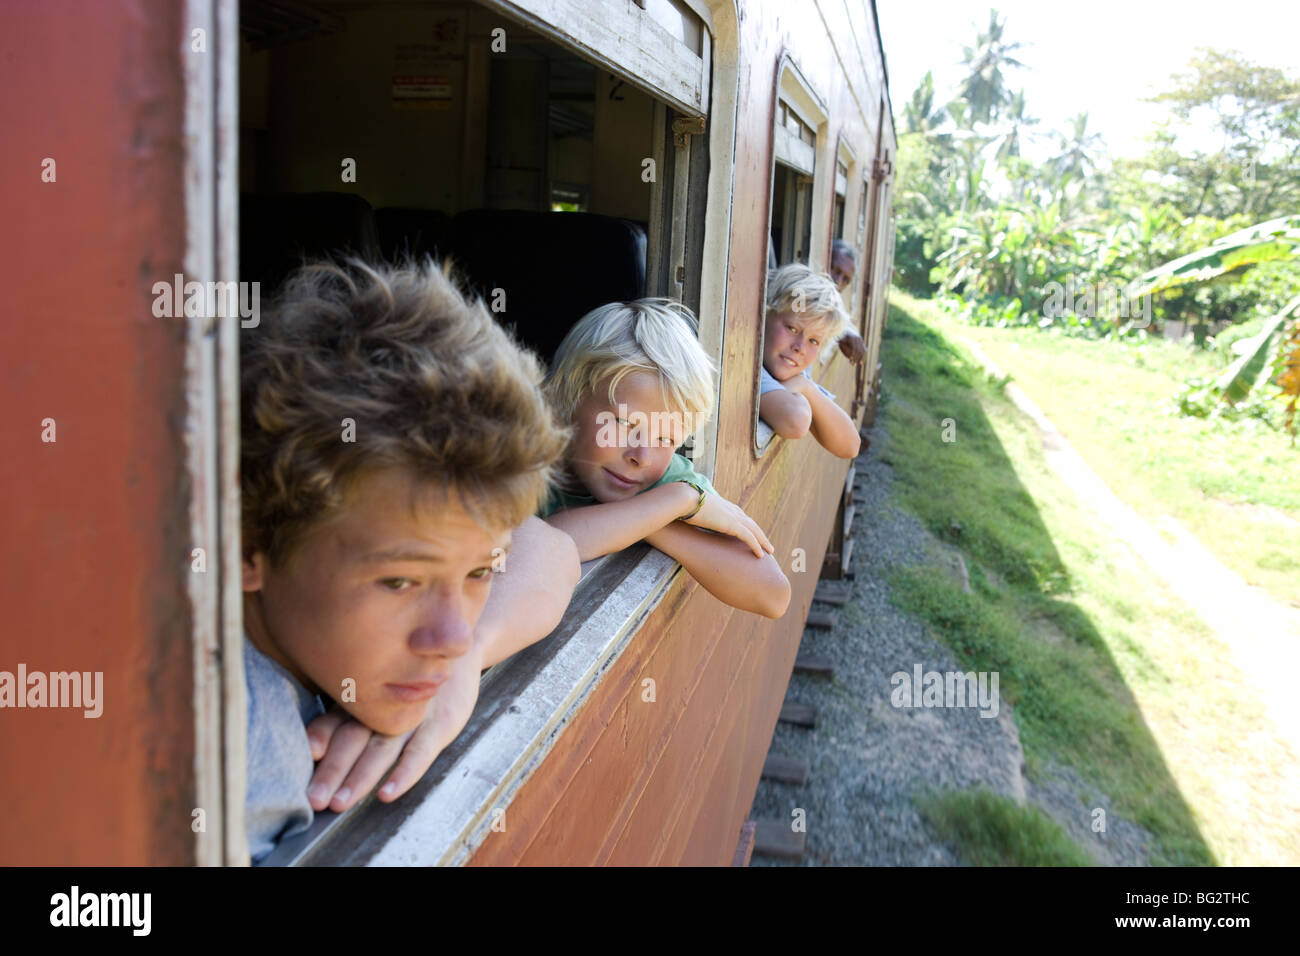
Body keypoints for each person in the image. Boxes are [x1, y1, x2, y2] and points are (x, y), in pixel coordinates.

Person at [239, 257, 579, 862]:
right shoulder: (244, 758)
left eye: (481, 572)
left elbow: (550, 546)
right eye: (399, 581)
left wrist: (470, 662)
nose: (450, 636)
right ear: (245, 546)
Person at [540, 299, 791, 619]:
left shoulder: (666, 482)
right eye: (624, 424)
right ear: (565, 401)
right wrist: (670, 504)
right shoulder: (519, 464)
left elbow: (772, 594)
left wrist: (658, 516)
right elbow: (550, 543)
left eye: (666, 438)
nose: (642, 456)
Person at [758, 264, 862, 459]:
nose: (800, 347)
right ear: (764, 316)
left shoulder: (790, 362)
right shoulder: (753, 363)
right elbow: (796, 420)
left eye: (814, 341)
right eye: (792, 328)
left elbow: (851, 445)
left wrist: (805, 386)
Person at [830, 239, 867, 364]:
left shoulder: (834, 299)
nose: (838, 282)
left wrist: (846, 333)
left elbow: (844, 322)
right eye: (836, 270)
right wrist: (841, 333)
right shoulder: (800, 290)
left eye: (846, 279)